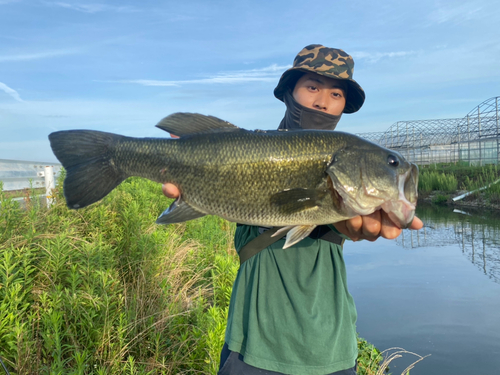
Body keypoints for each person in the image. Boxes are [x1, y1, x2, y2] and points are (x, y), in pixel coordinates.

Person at [162, 44, 423, 375]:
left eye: (336, 94)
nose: (323, 101)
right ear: (288, 92)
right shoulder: (250, 151)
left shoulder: (343, 174)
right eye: (312, 87)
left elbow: (336, 214)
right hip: (255, 345)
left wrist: (345, 220)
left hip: (330, 346)